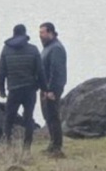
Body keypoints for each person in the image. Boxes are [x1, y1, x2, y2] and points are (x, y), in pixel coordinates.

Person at [0, 24, 47, 151]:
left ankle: (7, 145)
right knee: (28, 118)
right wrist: (44, 88)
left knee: (9, 118)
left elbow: (1, 71)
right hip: (30, 90)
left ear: (13, 34)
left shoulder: (6, 50)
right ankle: (26, 147)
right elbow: (40, 72)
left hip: (13, 90)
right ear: (25, 34)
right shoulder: (33, 49)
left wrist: (2, 90)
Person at [38, 22, 67, 157]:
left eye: (42, 33)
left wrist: (51, 90)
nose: (40, 36)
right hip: (45, 88)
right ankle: (52, 143)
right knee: (48, 116)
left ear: (50, 32)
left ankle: (57, 146)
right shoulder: (48, 47)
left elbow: (56, 71)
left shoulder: (55, 48)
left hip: (51, 89)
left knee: (53, 116)